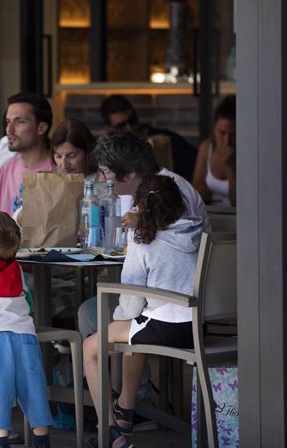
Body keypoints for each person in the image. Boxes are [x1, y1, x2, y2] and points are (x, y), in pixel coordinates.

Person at [83, 174, 201, 448]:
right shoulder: (194, 233)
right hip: (195, 326)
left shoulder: (143, 240)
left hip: (164, 327)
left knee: (91, 346)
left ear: (139, 207)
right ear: (177, 206)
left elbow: (132, 302)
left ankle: (110, 432)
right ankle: (126, 413)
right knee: (133, 332)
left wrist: (115, 323)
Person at [0, 208, 53, 448]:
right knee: (33, 388)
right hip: (25, 335)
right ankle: (42, 438)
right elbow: (29, 301)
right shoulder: (17, 269)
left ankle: (0, 441)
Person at [100, 94, 197, 181]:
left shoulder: (164, 138)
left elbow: (194, 163)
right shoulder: (110, 152)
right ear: (110, 128)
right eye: (121, 126)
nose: (129, 128)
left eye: (132, 120)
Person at [0, 92, 54, 216]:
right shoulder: (6, 169)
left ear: (41, 128)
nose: (9, 129)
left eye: (19, 121)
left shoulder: (58, 170)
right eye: (8, 121)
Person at [192, 95, 236, 206]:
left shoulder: (248, 153)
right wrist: (201, 193)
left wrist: (231, 169)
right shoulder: (207, 148)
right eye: (222, 133)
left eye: (233, 135)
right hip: (212, 216)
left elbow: (239, 203)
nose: (227, 141)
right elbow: (195, 190)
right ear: (214, 129)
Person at [50, 118, 99, 183]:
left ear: (88, 152)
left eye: (71, 156)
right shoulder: (50, 183)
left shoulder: (102, 185)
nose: (64, 165)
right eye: (58, 156)